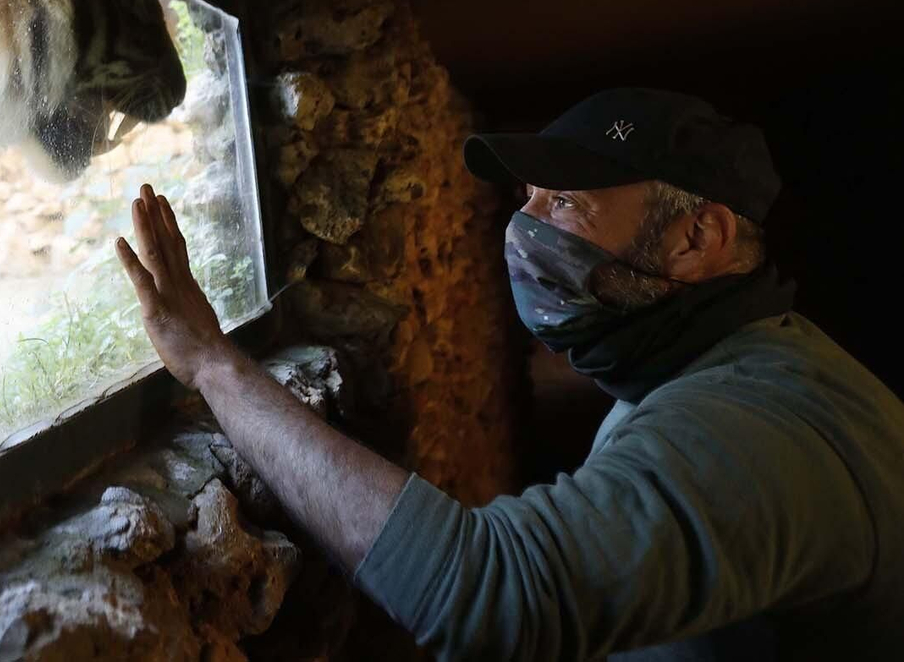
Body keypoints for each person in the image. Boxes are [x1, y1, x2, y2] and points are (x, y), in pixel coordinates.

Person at [115, 87, 904, 660]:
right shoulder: (712, 370)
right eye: (528, 196)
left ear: (698, 237)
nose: (524, 227)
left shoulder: (762, 432)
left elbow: (484, 589)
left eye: (567, 204)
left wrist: (214, 365)